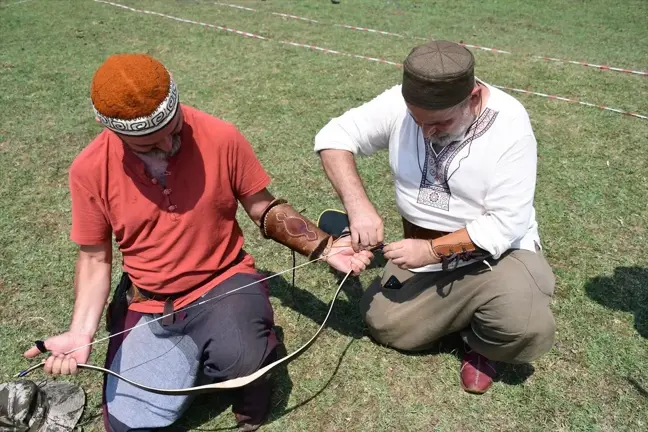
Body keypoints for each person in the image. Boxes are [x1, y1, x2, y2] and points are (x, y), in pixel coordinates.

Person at [22, 53, 372, 431]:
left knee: (243, 362)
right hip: (152, 302)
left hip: (225, 280)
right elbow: (94, 259)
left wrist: (323, 247)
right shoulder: (89, 169)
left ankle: (238, 350)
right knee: (129, 424)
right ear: (112, 131)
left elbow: (261, 207)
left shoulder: (220, 135)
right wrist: (80, 331)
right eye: (149, 145)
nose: (169, 144)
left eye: (174, 130)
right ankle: (206, 355)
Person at [313, 40, 556, 394]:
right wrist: (358, 206)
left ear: (472, 99)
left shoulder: (511, 125)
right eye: (417, 120)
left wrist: (430, 252)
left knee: (524, 323)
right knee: (384, 324)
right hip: (419, 244)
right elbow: (335, 135)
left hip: (495, 255)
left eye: (440, 123)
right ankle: (465, 312)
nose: (426, 132)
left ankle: (482, 344)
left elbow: (506, 223)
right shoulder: (400, 102)